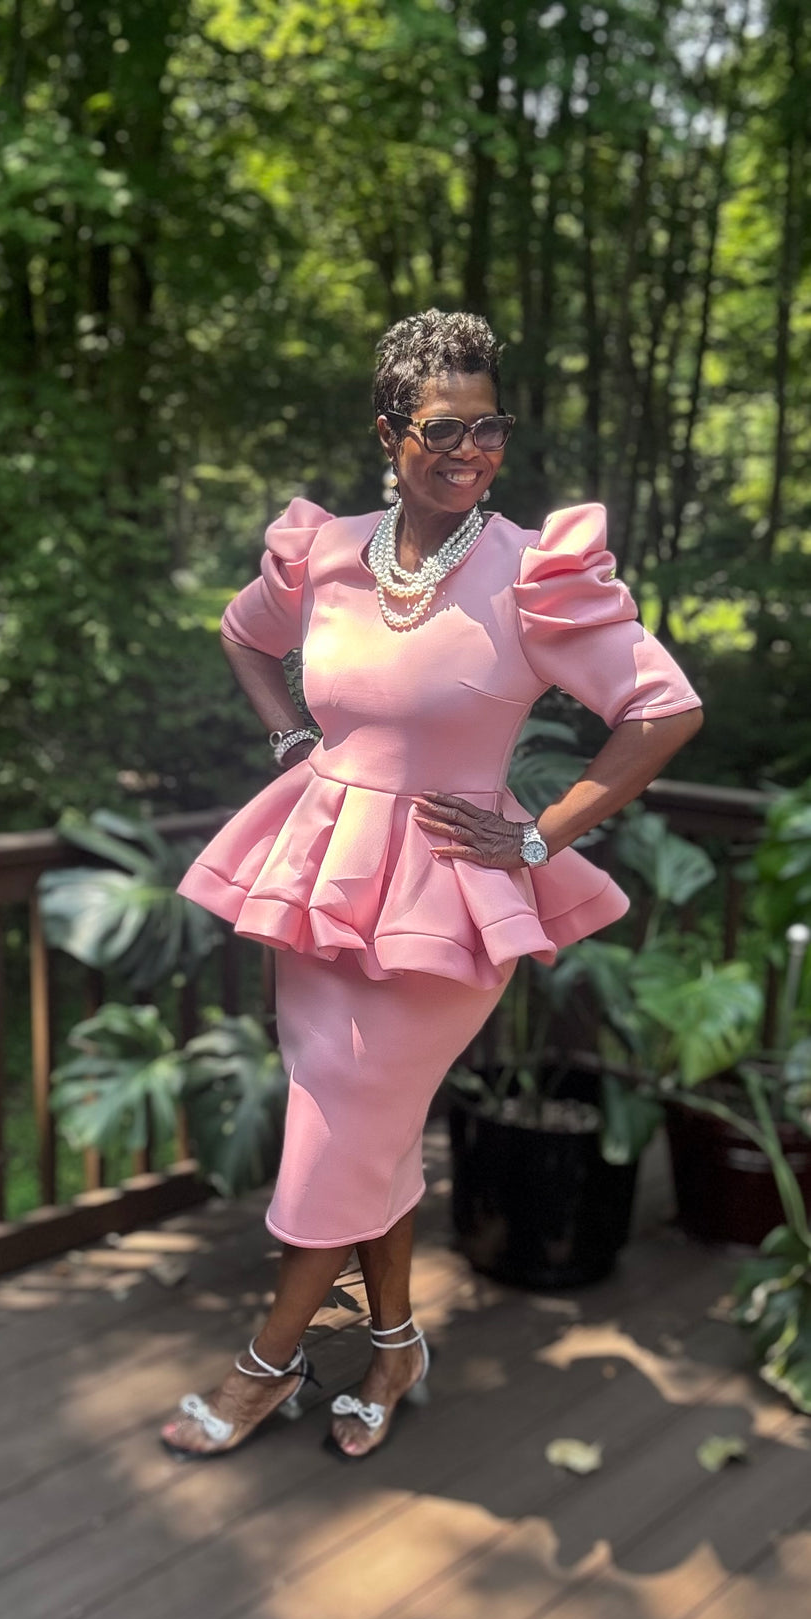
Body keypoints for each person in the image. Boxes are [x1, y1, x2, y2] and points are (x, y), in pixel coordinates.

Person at [162, 308, 703, 1462]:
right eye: (443, 428)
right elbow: (244, 634)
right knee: (367, 1132)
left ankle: (267, 1362)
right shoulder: (327, 552)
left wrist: (540, 836)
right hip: (319, 884)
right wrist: (288, 738)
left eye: (488, 427)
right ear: (389, 432)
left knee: (345, 1127)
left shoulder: (533, 574)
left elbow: (663, 710)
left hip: (446, 901)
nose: (470, 450)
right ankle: (395, 1344)